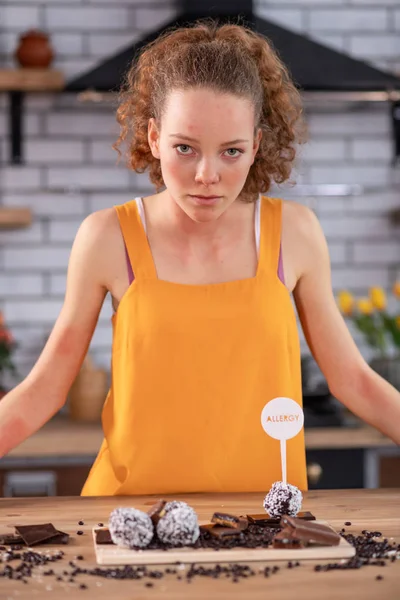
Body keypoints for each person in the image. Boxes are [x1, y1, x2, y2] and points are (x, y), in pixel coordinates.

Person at [0, 20, 399, 496]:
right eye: (185, 148)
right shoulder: (108, 237)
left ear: (255, 145)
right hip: (132, 522)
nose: (206, 175)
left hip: (268, 527)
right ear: (153, 137)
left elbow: (353, 380)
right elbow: (44, 390)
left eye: (230, 151)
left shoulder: (294, 233)